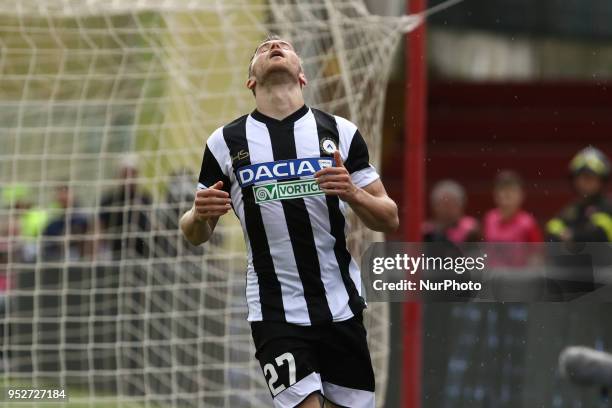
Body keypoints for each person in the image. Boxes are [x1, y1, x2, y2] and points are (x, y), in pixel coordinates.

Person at [180, 34, 398, 408]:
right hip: (274, 310)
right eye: (263, 48)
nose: (274, 47)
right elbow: (194, 232)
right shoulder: (224, 142)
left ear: (302, 75)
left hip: (340, 305)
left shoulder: (340, 132)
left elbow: (389, 217)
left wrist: (353, 192)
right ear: (251, 81)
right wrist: (198, 214)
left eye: (283, 46)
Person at [547, 146, 612, 242]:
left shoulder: (607, 207)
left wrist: (573, 236)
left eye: (589, 178)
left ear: (601, 181)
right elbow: (552, 227)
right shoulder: (572, 208)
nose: (583, 183)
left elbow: (601, 234)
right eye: (580, 178)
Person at [99, 154, 152, 259]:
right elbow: (99, 230)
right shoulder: (108, 201)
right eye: (125, 174)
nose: (129, 178)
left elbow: (152, 226)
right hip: (113, 254)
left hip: (141, 255)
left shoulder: (145, 199)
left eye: (132, 173)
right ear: (119, 175)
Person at [483, 170, 542, 243]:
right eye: (502, 190)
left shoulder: (528, 223)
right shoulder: (489, 218)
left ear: (521, 195)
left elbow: (537, 252)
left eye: (512, 191)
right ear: (495, 194)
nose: (507, 195)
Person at [42, 185, 91, 261]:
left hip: (77, 255)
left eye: (65, 193)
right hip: (58, 256)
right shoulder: (54, 222)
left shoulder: (84, 217)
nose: (62, 197)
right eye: (60, 194)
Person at [423, 179, 480, 244]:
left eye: (452, 204)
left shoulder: (471, 229)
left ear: (461, 205)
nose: (447, 209)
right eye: (443, 205)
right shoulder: (426, 231)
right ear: (434, 206)